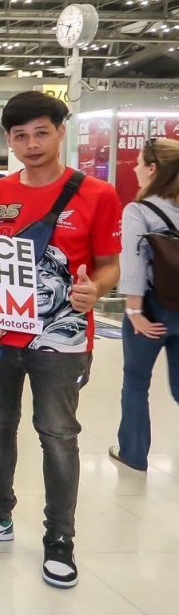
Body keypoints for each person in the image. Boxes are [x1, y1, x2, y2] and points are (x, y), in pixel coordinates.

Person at [0, 91, 121, 589]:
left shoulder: (97, 194)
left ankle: (60, 536)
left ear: (61, 131)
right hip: (0, 337)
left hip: (63, 338)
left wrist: (95, 290)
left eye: (41, 132)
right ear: (9, 141)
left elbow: (109, 264)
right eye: (20, 136)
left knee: (58, 434)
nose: (31, 144)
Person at [112, 137, 179, 472]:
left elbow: (134, 264)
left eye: (139, 163)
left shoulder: (140, 211)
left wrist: (135, 312)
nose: (135, 168)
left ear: (153, 169)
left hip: (153, 308)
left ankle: (134, 454)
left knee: (137, 381)